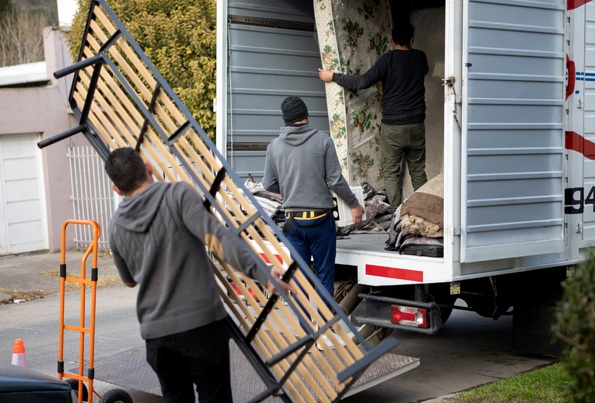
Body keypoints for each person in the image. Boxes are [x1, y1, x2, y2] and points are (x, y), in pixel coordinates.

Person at [105, 147, 291, 403]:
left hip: (157, 336)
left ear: (117, 188)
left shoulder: (114, 227)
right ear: (148, 168)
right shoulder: (177, 195)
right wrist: (264, 272)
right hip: (200, 328)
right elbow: (217, 239)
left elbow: (129, 280)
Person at [262, 96, 363, 332]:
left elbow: (268, 185)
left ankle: (307, 332)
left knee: (299, 278)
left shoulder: (274, 146)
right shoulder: (323, 141)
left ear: (285, 120)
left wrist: (290, 188)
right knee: (325, 277)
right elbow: (335, 181)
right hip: (320, 223)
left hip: (293, 223)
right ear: (306, 115)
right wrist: (354, 204)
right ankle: (324, 329)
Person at [319, 23, 429, 213]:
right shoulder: (420, 58)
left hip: (393, 127)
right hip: (417, 124)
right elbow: (422, 72)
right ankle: (424, 214)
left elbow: (363, 81)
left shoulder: (387, 60)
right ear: (411, 40)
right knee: (418, 171)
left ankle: (397, 216)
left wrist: (334, 76)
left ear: (392, 40)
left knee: (391, 173)